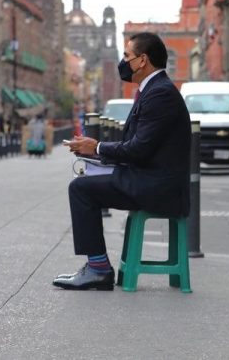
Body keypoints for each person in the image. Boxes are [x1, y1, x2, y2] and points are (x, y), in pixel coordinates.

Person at [54, 32, 191, 290]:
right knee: (86, 181)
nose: (123, 62)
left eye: (127, 56)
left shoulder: (159, 94)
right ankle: (97, 266)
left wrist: (97, 146)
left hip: (158, 187)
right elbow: (139, 146)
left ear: (142, 60)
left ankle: (98, 269)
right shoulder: (153, 89)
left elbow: (138, 149)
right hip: (151, 179)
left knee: (80, 189)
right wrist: (95, 153)